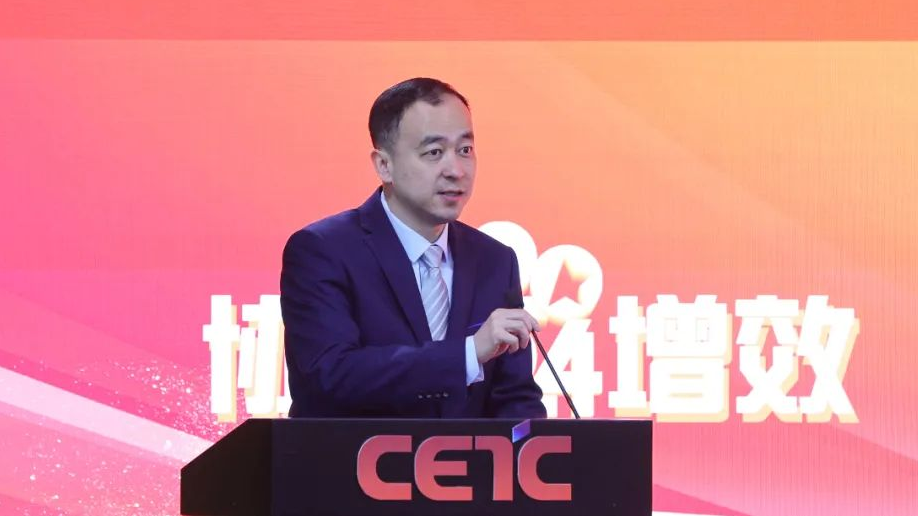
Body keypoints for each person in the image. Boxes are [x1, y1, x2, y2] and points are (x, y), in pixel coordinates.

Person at [280, 77, 545, 419]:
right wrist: (467, 355)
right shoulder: (323, 251)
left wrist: (535, 444)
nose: (456, 170)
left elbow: (515, 400)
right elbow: (330, 375)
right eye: (434, 153)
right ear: (384, 165)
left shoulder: (495, 260)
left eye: (465, 150)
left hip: (470, 457)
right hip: (357, 454)